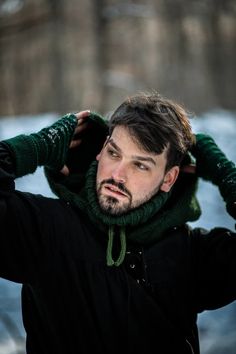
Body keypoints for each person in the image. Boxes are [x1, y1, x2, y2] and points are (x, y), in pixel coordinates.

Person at [0, 92, 235, 354]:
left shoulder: (193, 255)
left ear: (169, 179)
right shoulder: (46, 230)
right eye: (114, 153)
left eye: (141, 165)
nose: (117, 175)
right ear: (101, 150)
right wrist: (32, 148)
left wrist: (227, 174)